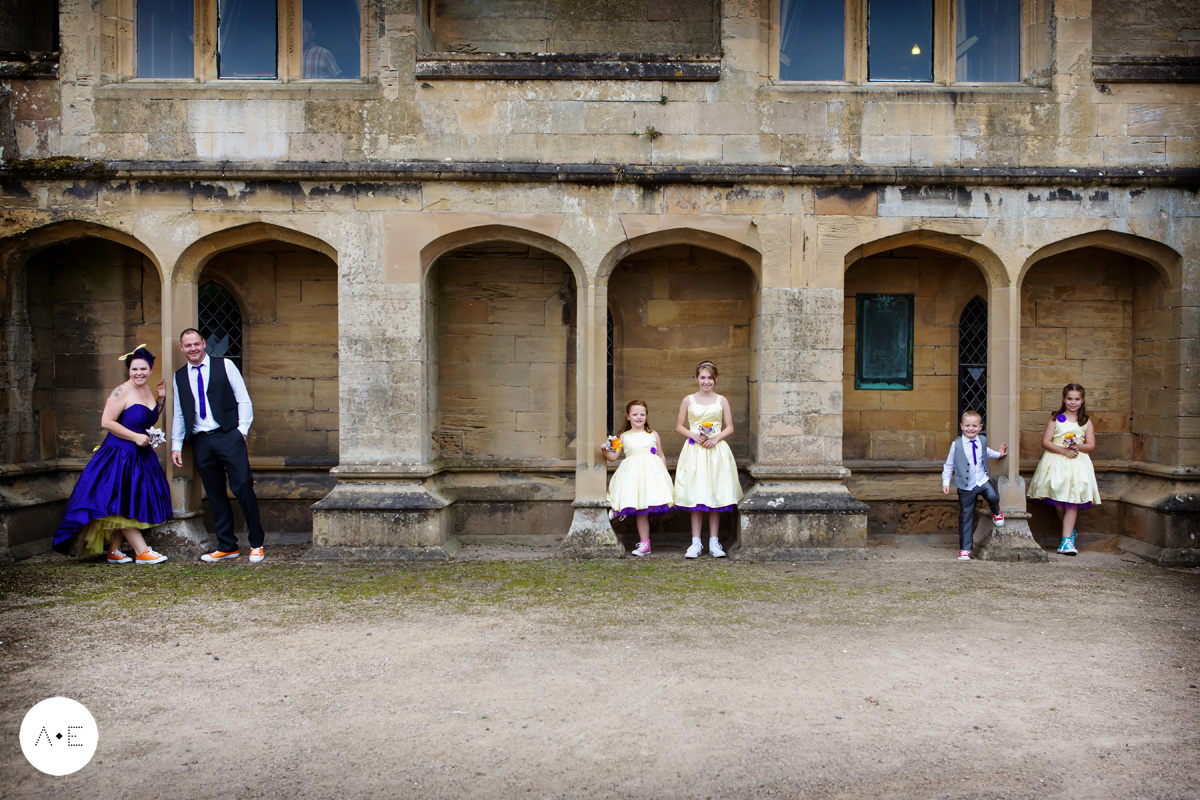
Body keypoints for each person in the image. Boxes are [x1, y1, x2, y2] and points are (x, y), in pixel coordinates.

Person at [52, 344, 170, 565]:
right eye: (134, 369)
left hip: (139, 457)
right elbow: (106, 422)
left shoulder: (146, 389)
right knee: (118, 501)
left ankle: (114, 551)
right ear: (129, 370)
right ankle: (142, 551)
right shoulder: (121, 391)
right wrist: (135, 437)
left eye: (143, 369)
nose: (139, 373)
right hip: (119, 455)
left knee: (127, 499)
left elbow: (148, 420)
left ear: (150, 370)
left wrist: (160, 399)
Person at [170, 328, 266, 563]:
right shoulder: (179, 377)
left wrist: (241, 431)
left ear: (203, 343)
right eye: (187, 345)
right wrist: (176, 444)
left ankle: (256, 543)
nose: (193, 348)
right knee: (214, 493)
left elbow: (243, 398)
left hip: (229, 436)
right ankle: (227, 545)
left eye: (196, 343)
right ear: (181, 348)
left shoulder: (225, 366)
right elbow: (180, 413)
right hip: (201, 440)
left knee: (243, 486)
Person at [673, 360, 743, 558]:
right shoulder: (688, 400)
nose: (706, 381)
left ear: (716, 379)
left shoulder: (722, 400)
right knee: (697, 494)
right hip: (695, 450)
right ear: (696, 378)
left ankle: (714, 542)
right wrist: (692, 434)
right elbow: (679, 425)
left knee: (715, 493)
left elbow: (729, 426)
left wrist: (716, 438)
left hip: (715, 450)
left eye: (710, 378)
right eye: (702, 377)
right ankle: (695, 542)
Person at [1027, 383, 1101, 555]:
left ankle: (1066, 541)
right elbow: (1046, 442)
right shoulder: (1056, 418)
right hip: (1056, 461)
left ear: (1082, 401)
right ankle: (1070, 531)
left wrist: (1077, 447)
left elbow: (1091, 445)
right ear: (1063, 399)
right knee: (1059, 502)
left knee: (1073, 499)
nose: (1073, 402)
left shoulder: (1085, 422)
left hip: (1077, 463)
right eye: (1069, 399)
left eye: (1076, 399)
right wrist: (1063, 451)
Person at [603, 400, 674, 556]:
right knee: (630, 495)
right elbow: (613, 456)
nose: (639, 417)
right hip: (631, 474)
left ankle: (645, 544)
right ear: (628, 416)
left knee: (643, 509)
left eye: (642, 414)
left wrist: (664, 475)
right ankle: (620, 510)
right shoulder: (623, 436)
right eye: (635, 414)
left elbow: (660, 454)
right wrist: (605, 451)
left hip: (650, 474)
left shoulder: (653, 434)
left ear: (646, 416)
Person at [941, 409, 1007, 561]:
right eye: (967, 426)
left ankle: (996, 511)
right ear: (962, 426)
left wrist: (999, 454)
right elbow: (949, 465)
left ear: (980, 427)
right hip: (965, 485)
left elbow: (986, 452)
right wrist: (946, 482)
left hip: (981, 479)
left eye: (974, 426)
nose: (971, 429)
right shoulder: (956, 445)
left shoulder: (982, 440)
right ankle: (965, 549)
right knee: (966, 515)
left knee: (993, 495)